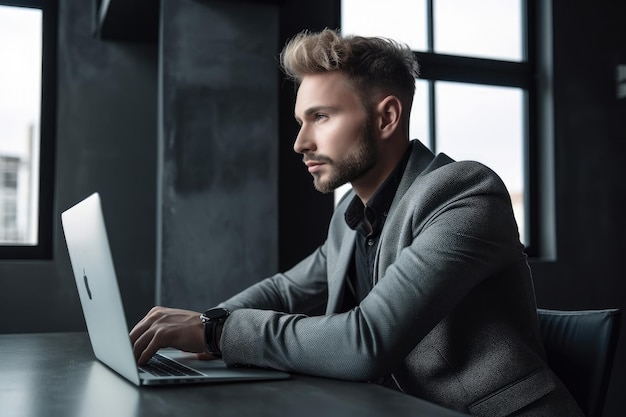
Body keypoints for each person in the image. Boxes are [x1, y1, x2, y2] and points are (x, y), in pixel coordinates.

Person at [130, 29, 583, 416]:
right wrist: (203, 327)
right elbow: (285, 291)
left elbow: (367, 340)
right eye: (299, 121)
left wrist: (216, 332)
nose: (300, 143)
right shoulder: (351, 218)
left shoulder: (464, 194)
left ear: (387, 116)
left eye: (321, 117)